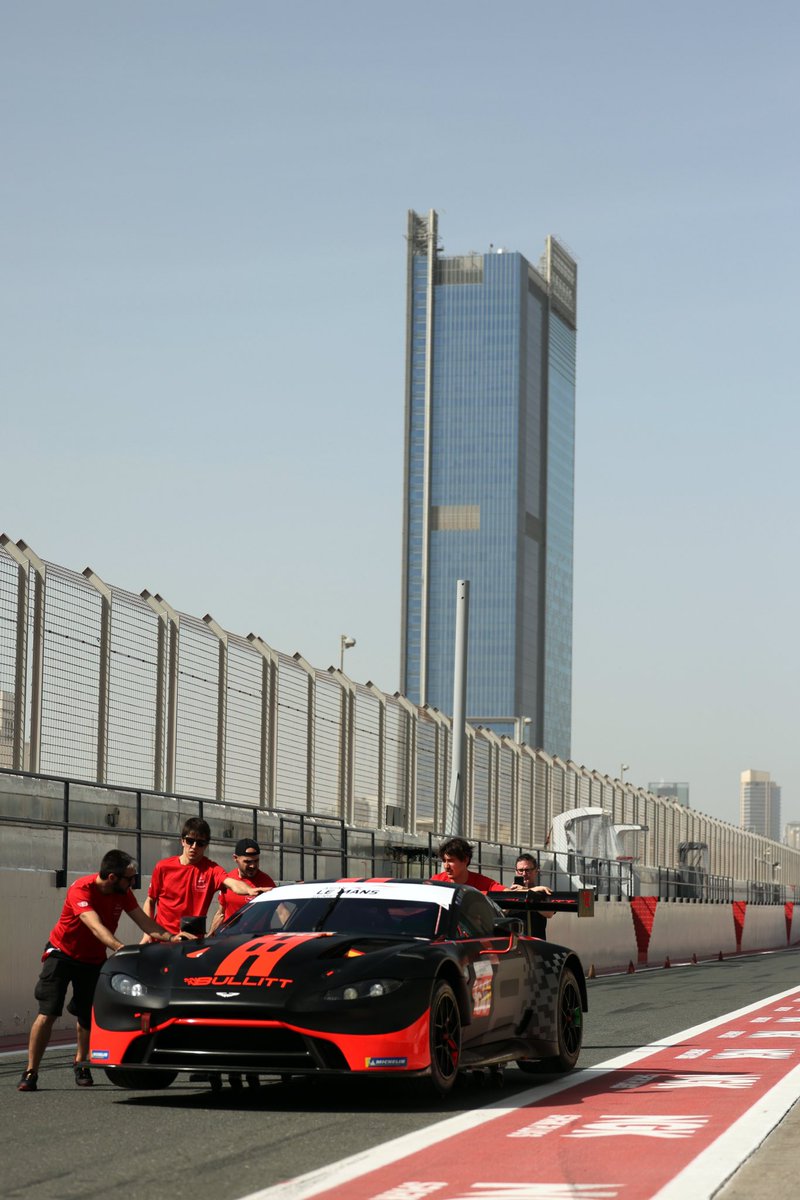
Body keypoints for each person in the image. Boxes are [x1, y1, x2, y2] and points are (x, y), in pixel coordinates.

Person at [17, 848, 179, 1093]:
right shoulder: (80, 889)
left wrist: (172, 937)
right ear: (113, 878)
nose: (134, 882)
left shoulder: (123, 894)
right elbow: (95, 926)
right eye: (130, 878)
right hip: (62, 954)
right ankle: (31, 1071)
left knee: (86, 1015)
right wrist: (120, 948)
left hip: (92, 960)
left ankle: (81, 1063)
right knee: (48, 1012)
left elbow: (145, 922)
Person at [142, 817, 266, 938]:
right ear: (182, 841)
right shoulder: (163, 867)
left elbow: (232, 883)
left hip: (193, 943)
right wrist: (148, 933)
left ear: (206, 846)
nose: (194, 846)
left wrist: (249, 890)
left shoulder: (211, 870)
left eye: (200, 843)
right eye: (190, 841)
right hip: (162, 939)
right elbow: (150, 900)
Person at [209, 838, 276, 934]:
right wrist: (210, 935)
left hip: (256, 939)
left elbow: (281, 911)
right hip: (230, 938)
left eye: (256, 861)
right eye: (248, 862)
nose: (253, 866)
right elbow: (220, 913)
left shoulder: (267, 883)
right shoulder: (228, 881)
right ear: (235, 858)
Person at [430, 836, 506, 894]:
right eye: (444, 861)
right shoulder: (436, 881)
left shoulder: (482, 883)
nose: (446, 866)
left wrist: (515, 891)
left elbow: (508, 894)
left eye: (451, 861)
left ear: (465, 860)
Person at [513, 852, 555, 939]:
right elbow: (501, 912)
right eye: (520, 870)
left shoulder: (544, 892)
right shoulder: (508, 894)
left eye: (527, 870)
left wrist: (527, 892)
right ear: (515, 871)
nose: (524, 874)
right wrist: (515, 893)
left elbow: (549, 913)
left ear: (536, 871)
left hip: (536, 945)